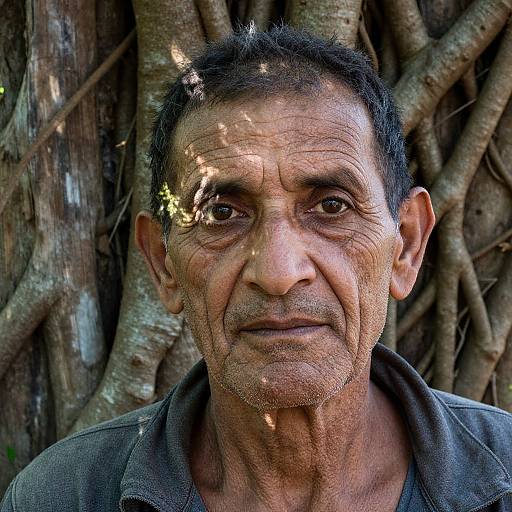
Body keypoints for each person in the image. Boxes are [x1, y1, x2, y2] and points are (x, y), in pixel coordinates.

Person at [2, 25, 512, 512]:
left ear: (406, 245)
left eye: (331, 207)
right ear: (163, 264)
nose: (278, 271)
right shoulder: (60, 498)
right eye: (222, 213)